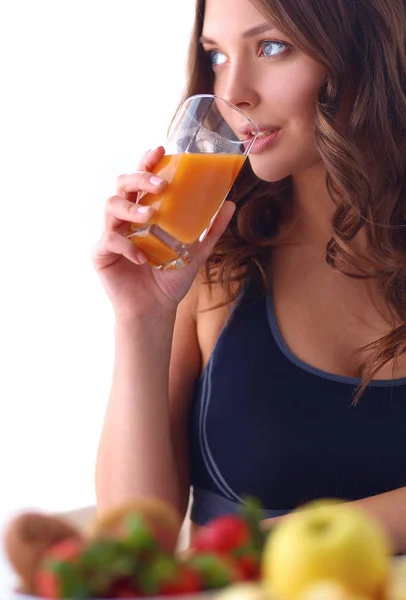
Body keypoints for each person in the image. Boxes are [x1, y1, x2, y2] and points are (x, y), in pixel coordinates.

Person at [93, 0, 406, 553]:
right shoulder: (208, 261)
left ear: (364, 48)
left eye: (272, 47)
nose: (232, 92)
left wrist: (268, 544)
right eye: (215, 55)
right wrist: (141, 317)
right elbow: (131, 550)